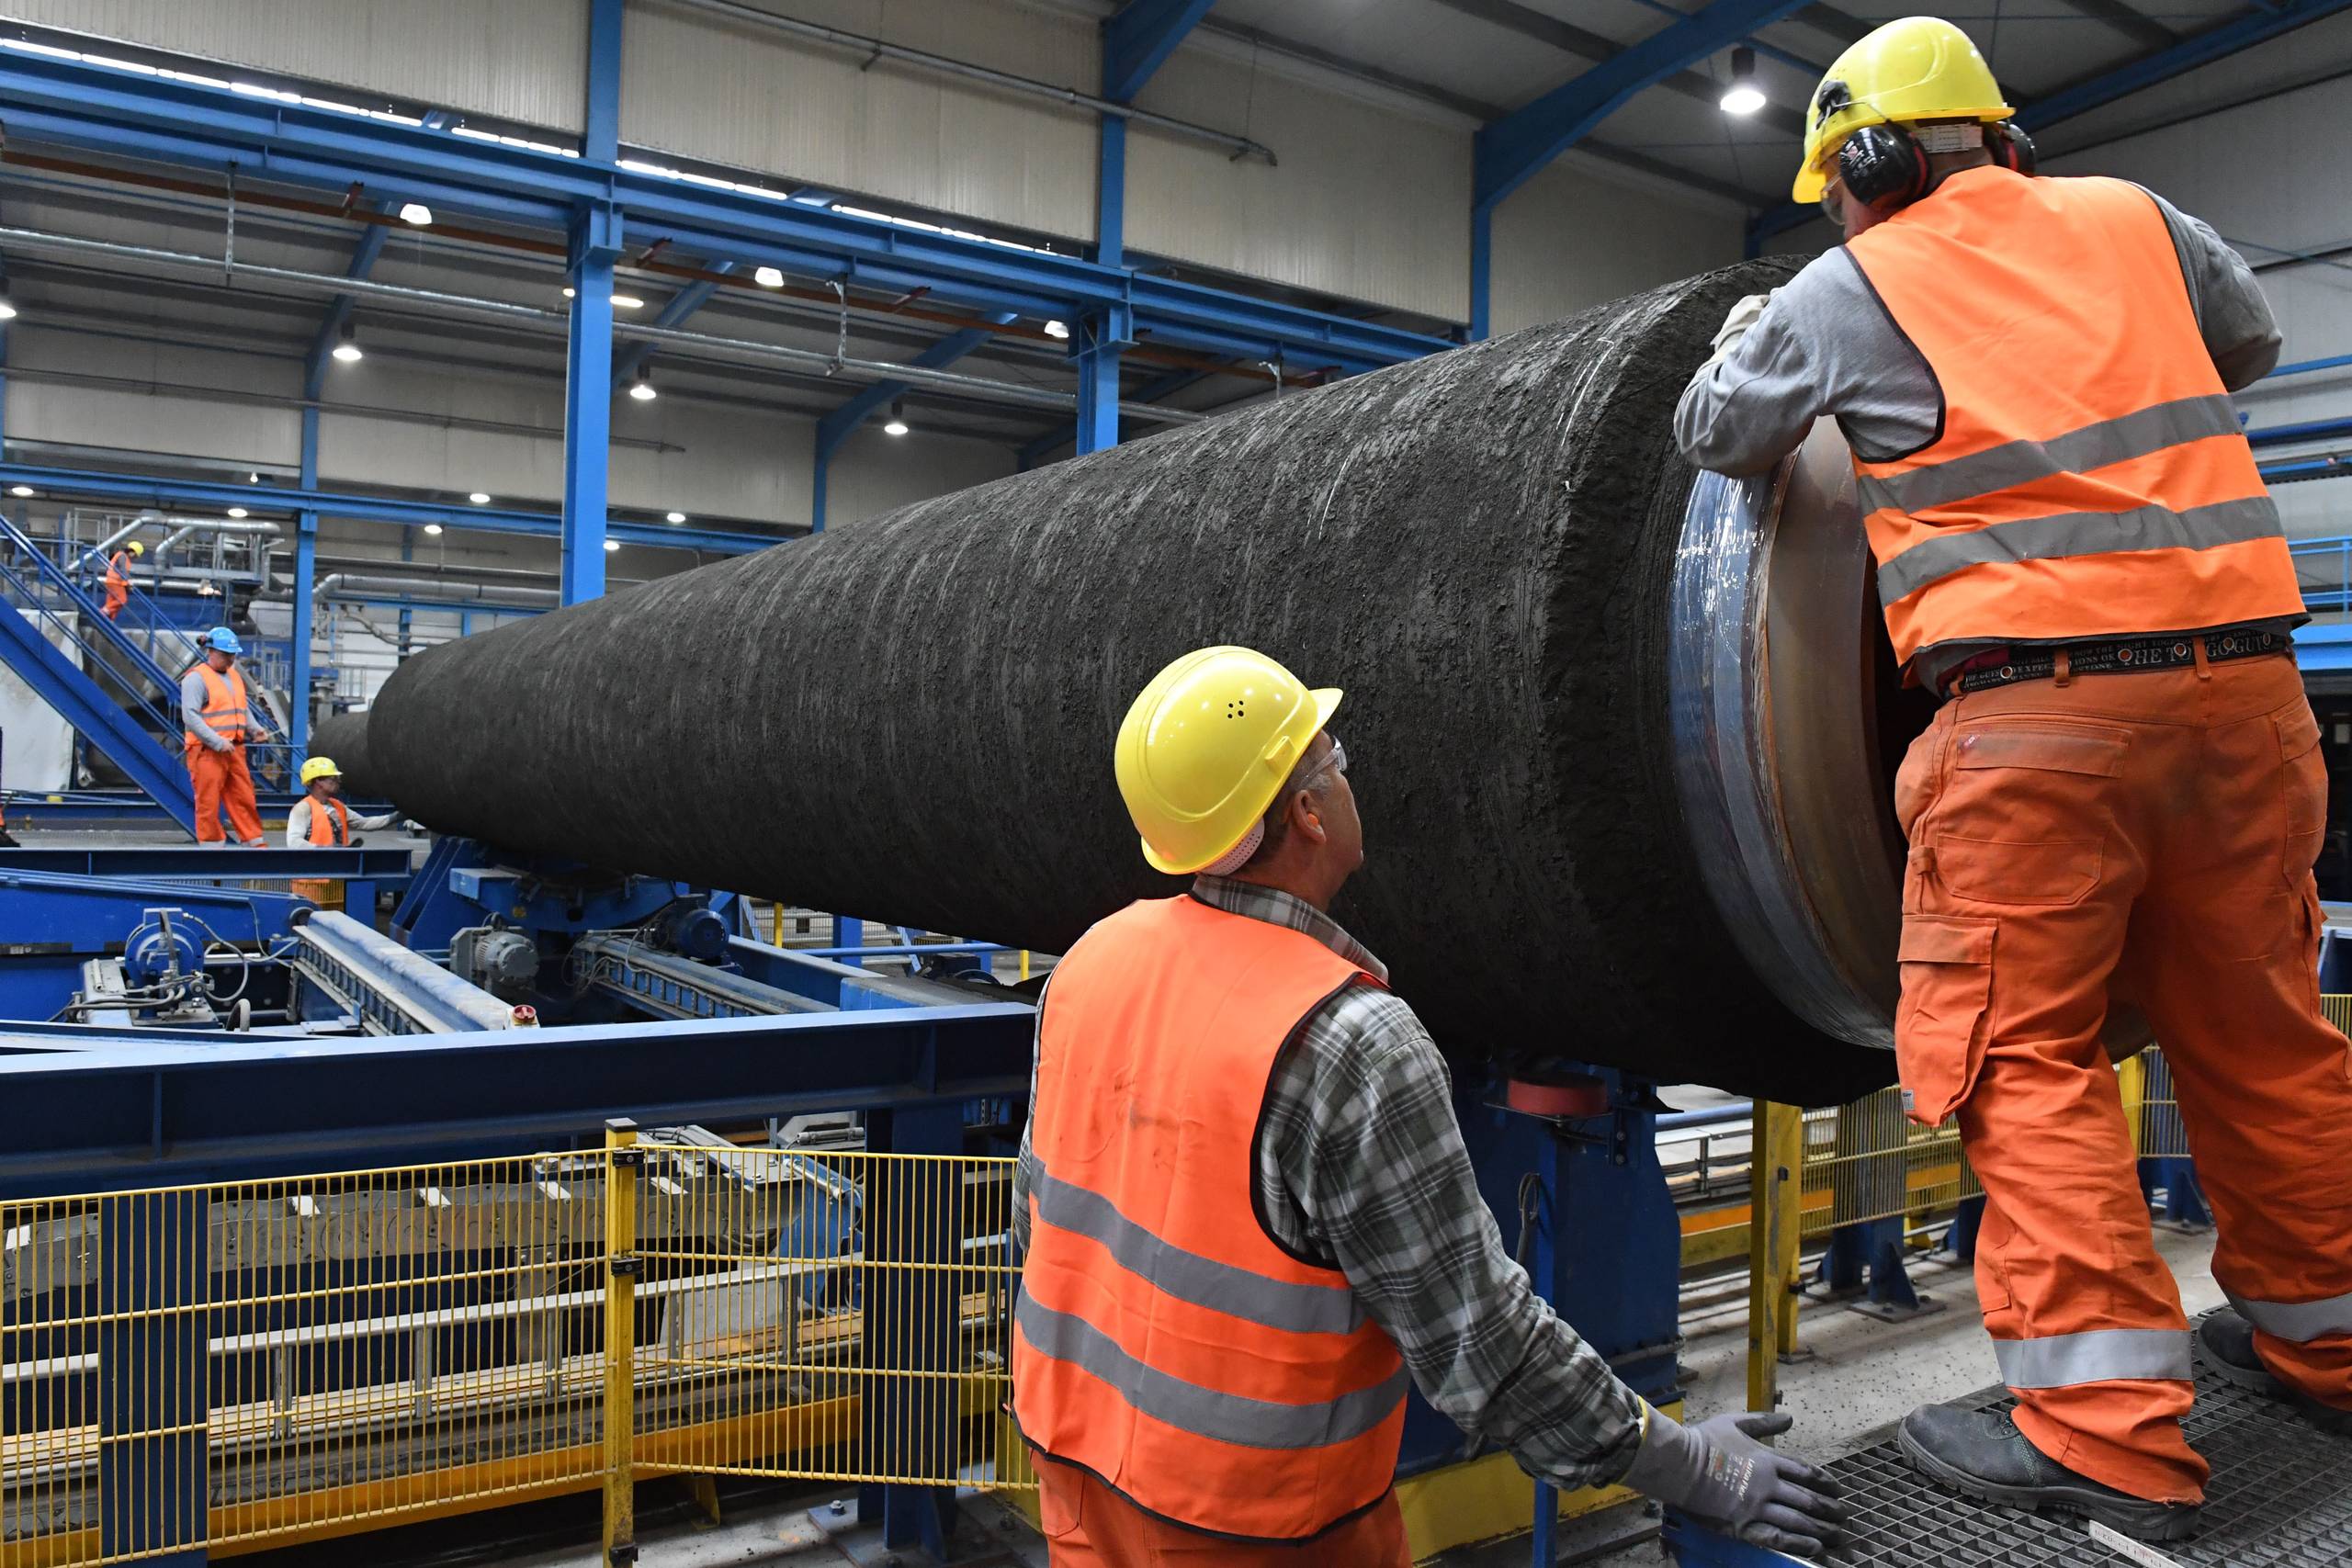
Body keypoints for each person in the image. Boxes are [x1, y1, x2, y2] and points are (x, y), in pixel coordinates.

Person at [1675, 14, 2352, 1543]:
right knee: (2264, 1030)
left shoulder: (1853, 283)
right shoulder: (2137, 221)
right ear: (2001, 136)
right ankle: (2333, 1342)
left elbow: (1716, 427)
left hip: (2038, 723)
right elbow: (2243, 341)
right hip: (2247, 698)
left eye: (1835, 182)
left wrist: (1764, 335)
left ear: (1868, 162)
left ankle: (2112, 1437)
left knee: (2020, 1058)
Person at [1008, 646, 1847, 1565]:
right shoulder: (1349, 1040)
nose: (1347, 782)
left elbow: (1039, 1229)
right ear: (1306, 814)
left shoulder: (1090, 963)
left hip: (1077, 1481)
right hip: (1255, 1530)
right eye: (1337, 763)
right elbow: (1485, 1349)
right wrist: (1698, 1470)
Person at [182, 626, 265, 847]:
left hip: (235, 750)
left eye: (232, 655)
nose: (230, 660)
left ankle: (255, 844)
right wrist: (217, 742)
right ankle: (212, 850)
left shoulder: (235, 677)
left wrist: (255, 729)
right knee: (208, 803)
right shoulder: (196, 679)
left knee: (244, 798)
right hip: (208, 752)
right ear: (210, 652)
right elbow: (190, 717)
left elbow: (242, 709)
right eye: (225, 655)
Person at [285, 756, 397, 904]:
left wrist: (399, 816)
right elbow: (294, 842)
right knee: (310, 920)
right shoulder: (303, 808)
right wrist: (326, 850)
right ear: (319, 781)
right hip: (310, 881)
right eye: (334, 778)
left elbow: (365, 823)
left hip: (336, 877)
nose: (339, 782)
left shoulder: (338, 806)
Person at [101, 540, 143, 621]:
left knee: (112, 602)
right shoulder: (122, 556)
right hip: (115, 582)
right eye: (135, 555)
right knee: (122, 599)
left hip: (111, 581)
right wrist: (129, 582)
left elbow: (124, 572)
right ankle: (103, 612)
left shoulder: (123, 557)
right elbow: (122, 570)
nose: (135, 558)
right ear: (132, 551)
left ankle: (109, 619)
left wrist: (128, 583)